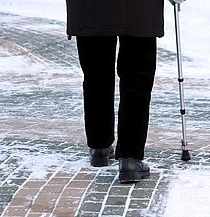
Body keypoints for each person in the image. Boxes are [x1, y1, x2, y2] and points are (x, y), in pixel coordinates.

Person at [66, 0, 164, 183]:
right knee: (137, 77)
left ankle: (99, 146)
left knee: (96, 74)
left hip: (89, 9)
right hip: (139, 9)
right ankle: (130, 158)